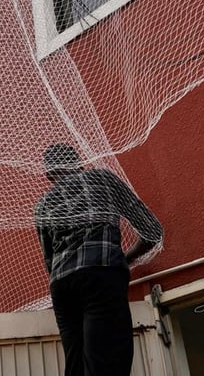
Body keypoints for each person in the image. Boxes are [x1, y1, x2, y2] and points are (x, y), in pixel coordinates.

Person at [34, 144, 163, 376]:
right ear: (79, 163)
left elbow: (49, 261)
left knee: (76, 362)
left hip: (62, 286)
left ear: (49, 174)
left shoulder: (42, 205)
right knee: (107, 359)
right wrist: (125, 258)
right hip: (100, 272)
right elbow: (152, 231)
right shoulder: (102, 179)